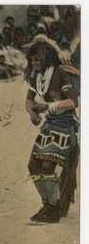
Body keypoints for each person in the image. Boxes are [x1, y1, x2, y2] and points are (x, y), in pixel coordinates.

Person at [23, 40, 79, 223]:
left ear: (46, 58)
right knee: (33, 166)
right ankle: (48, 204)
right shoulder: (36, 76)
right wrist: (32, 113)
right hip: (49, 124)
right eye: (32, 60)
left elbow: (72, 102)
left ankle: (53, 209)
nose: (34, 64)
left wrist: (46, 106)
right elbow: (28, 101)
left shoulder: (60, 73)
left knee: (47, 167)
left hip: (64, 124)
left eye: (37, 60)